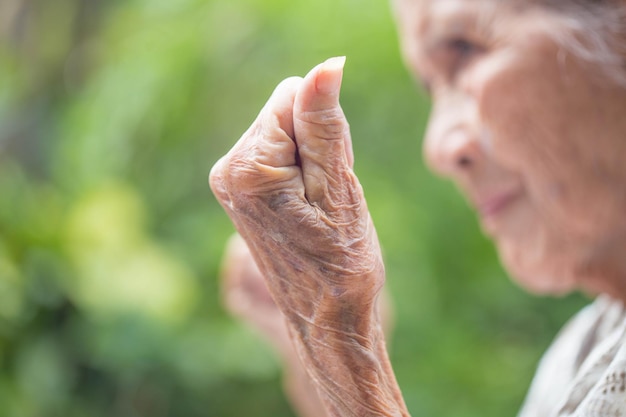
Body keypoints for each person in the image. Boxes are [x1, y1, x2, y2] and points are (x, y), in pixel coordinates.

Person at [209, 0, 626, 415]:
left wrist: (340, 341)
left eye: (464, 50)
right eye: (430, 89)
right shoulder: (584, 350)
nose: (439, 149)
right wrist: (324, 357)